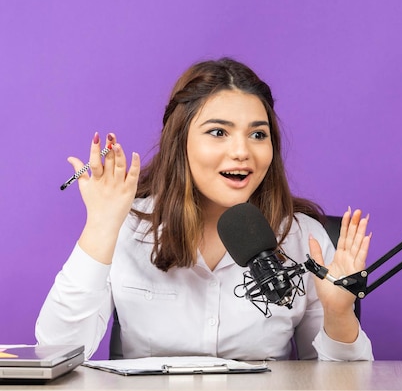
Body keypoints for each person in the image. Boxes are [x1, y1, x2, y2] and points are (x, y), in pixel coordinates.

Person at [36, 58, 374, 361]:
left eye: (258, 134)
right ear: (180, 141)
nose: (242, 151)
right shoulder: (127, 229)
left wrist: (339, 313)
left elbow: (341, 382)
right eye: (218, 132)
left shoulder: (304, 238)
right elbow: (57, 349)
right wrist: (102, 223)